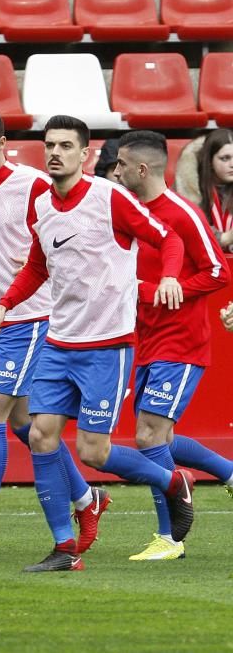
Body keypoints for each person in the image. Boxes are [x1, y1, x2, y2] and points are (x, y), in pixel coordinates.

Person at [0, 115, 197, 573]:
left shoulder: (110, 197)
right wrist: (6, 302)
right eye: (49, 144)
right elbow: (37, 266)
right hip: (59, 341)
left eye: (65, 145)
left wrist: (171, 276)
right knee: (40, 435)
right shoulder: (39, 203)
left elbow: (168, 237)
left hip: (107, 345)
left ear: (85, 154)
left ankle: (170, 480)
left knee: (93, 452)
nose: (55, 152)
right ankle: (64, 548)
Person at [0, 108, 105, 557]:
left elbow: (52, 252)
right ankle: (88, 499)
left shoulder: (31, 186)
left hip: (31, 317)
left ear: (2, 143)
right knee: (27, 426)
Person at [111, 130, 233, 560]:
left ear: (142, 169)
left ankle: (170, 538)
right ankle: (229, 474)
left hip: (180, 341)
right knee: (160, 435)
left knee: (149, 435)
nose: (117, 170)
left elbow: (219, 273)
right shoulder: (129, 213)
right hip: (145, 340)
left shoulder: (181, 215)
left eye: (122, 164)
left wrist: (172, 287)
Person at [196, 128, 233, 252]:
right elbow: (188, 231)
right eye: (225, 158)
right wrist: (225, 238)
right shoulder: (192, 189)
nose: (232, 164)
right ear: (210, 162)